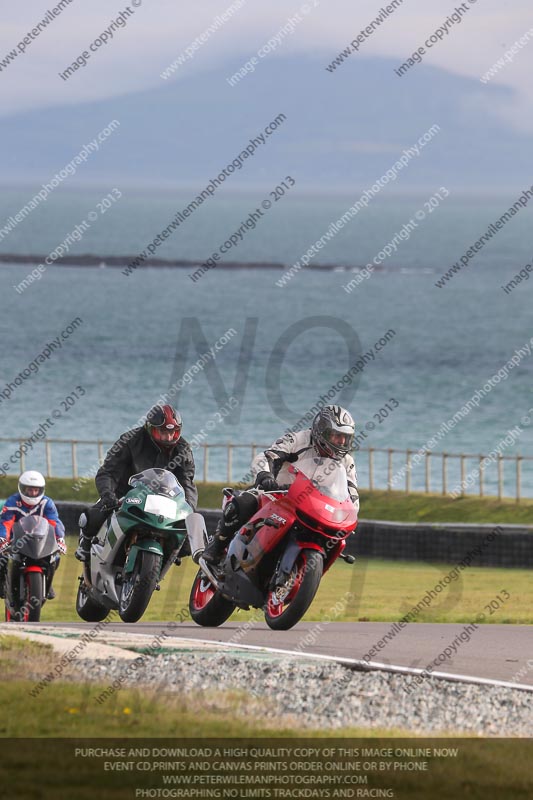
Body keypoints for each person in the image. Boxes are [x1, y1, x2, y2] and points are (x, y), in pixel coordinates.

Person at [202, 404, 359, 564]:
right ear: (322, 431)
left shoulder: (347, 462)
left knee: (332, 540)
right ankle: (217, 544)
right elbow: (266, 457)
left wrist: (349, 514)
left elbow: (352, 494)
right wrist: (265, 476)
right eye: (336, 436)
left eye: (346, 438)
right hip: (277, 495)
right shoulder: (297, 440)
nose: (341, 442)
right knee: (244, 502)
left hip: (313, 509)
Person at [75, 404, 198, 562]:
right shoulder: (130, 440)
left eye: (173, 432)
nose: (168, 437)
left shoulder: (183, 450)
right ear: (149, 428)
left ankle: (159, 562)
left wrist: (188, 508)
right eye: (163, 432)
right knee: (93, 518)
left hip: (163, 501)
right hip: (124, 494)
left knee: (187, 543)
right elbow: (108, 472)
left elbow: (187, 483)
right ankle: (85, 544)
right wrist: (108, 495)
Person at [0, 470, 66, 599]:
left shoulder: (47, 503)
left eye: (36, 490)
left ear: (41, 490)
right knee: (1, 559)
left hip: (39, 539)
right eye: (29, 490)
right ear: (22, 489)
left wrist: (59, 539)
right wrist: (2, 538)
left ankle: (46, 582)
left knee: (55, 558)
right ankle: (3, 583)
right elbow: (5, 523)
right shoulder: (12, 502)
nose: (33, 493)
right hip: (15, 540)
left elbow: (54, 522)